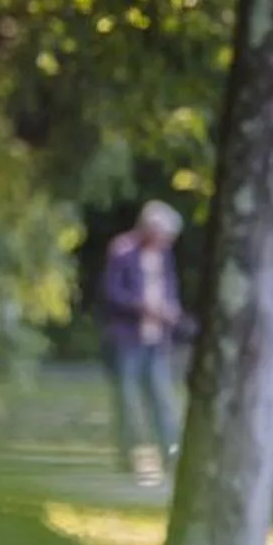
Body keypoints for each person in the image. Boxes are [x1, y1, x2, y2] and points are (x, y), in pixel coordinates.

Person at [96, 200, 191, 483]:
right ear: (150, 229)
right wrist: (143, 307)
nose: (167, 241)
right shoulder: (123, 250)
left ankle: (171, 455)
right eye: (164, 235)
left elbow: (169, 287)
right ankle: (127, 457)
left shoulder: (163, 256)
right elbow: (112, 293)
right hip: (127, 338)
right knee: (127, 399)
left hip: (157, 338)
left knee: (162, 398)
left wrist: (171, 309)